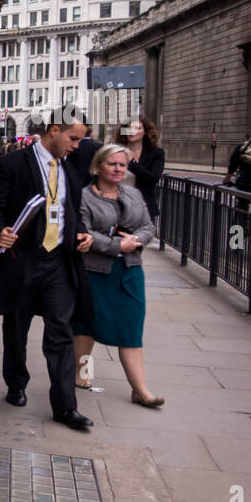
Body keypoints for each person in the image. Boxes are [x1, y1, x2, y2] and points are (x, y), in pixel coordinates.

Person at [0, 116, 96, 430]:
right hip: (21, 260)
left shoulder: (69, 168)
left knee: (60, 333)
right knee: (17, 328)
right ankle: (16, 383)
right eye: (73, 139)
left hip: (58, 263)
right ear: (54, 131)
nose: (76, 146)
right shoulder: (12, 164)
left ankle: (66, 407)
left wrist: (82, 234)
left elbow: (72, 211)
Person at [72, 144, 163, 407]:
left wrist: (136, 239)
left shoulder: (133, 194)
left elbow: (148, 225)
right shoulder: (84, 197)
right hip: (95, 272)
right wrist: (116, 246)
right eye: (112, 164)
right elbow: (83, 232)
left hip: (130, 270)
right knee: (86, 326)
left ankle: (140, 389)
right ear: (97, 166)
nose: (118, 169)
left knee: (131, 328)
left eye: (122, 165)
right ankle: (82, 373)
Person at [116, 114, 165, 221]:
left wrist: (131, 162)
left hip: (144, 208)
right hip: (117, 207)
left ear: (145, 132)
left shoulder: (156, 153)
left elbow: (153, 178)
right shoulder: (115, 150)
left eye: (137, 128)